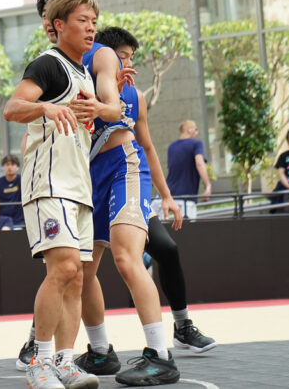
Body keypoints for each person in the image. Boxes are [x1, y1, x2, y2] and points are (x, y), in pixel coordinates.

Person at [72, 27, 213, 382]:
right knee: (80, 271)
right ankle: (100, 352)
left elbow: (147, 146)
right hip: (90, 180)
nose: (128, 64)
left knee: (133, 257)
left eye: (130, 58)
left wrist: (166, 195)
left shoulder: (132, 94)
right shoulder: (71, 74)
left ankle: (163, 350)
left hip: (125, 169)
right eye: (123, 56)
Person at [4, 0, 108, 389]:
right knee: (63, 267)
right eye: (83, 20)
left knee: (77, 277)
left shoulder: (85, 75)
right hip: (48, 182)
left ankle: (65, 361)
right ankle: (40, 362)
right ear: (59, 25)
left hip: (79, 185)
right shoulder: (48, 65)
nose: (91, 28)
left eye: (94, 21)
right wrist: (44, 106)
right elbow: (13, 108)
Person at [165, 121, 212, 219]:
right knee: (188, 228)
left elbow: (170, 169)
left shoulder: (171, 147)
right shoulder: (196, 144)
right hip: (187, 199)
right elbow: (199, 163)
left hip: (168, 197)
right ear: (189, 130)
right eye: (196, 129)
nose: (197, 133)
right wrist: (208, 185)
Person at [0, 155, 25, 227]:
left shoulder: (23, 180)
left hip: (20, 219)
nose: (10, 167)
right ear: (3, 167)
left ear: (17, 167)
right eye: (7, 164)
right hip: (2, 220)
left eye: (12, 164)